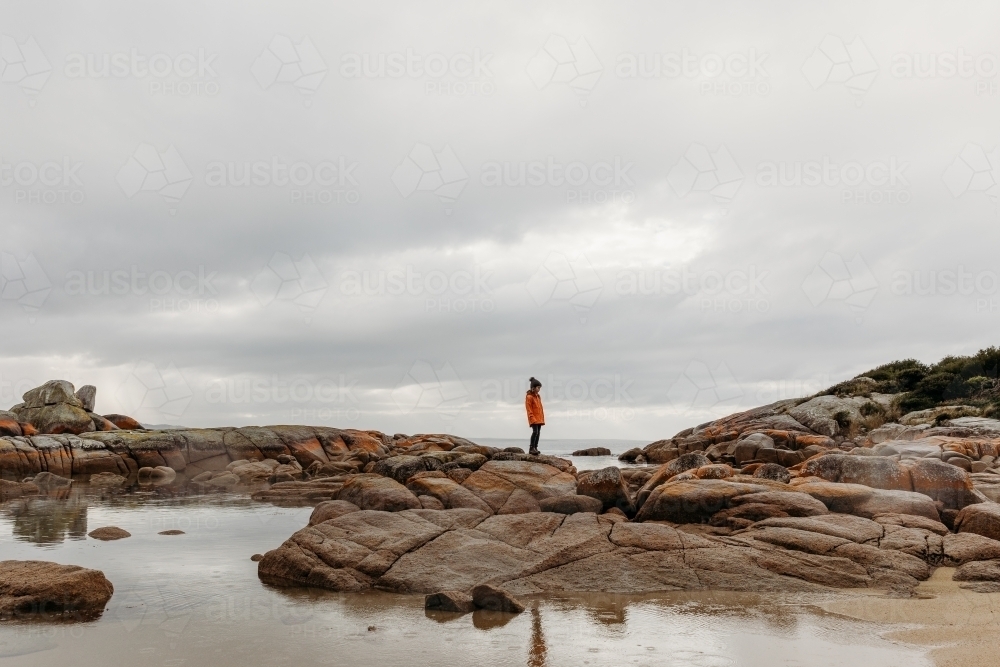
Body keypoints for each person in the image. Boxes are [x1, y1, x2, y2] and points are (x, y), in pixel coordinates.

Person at [525, 377, 544, 455]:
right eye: (538, 387)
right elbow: (529, 408)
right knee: (535, 432)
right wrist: (532, 418)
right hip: (533, 418)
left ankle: (535, 447)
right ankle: (531, 448)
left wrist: (541, 418)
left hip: (539, 418)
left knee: (538, 432)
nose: (539, 389)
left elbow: (540, 408)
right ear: (533, 388)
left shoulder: (538, 397)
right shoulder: (529, 397)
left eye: (540, 388)